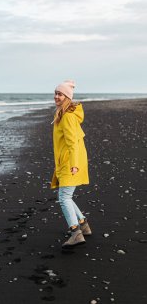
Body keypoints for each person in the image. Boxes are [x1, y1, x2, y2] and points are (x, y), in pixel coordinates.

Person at [51, 80, 92, 248]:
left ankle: (76, 233)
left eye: (60, 94)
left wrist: (74, 164)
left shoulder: (67, 116)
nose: (56, 97)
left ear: (67, 97)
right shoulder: (63, 113)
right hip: (68, 160)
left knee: (64, 197)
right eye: (55, 93)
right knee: (66, 196)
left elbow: (72, 142)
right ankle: (83, 224)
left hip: (70, 161)